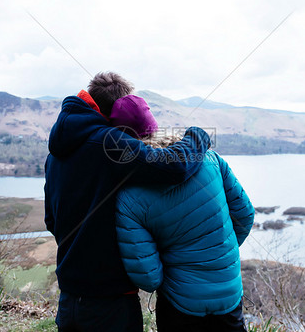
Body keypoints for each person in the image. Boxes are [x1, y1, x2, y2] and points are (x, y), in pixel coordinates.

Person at [44, 72, 211, 332]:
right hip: (109, 302)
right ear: (120, 110)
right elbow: (176, 167)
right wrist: (197, 137)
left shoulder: (56, 151)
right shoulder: (109, 143)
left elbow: (51, 220)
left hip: (69, 298)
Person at [113, 94, 255, 332]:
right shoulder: (210, 160)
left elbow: (149, 277)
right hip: (229, 294)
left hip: (180, 304)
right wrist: (217, 254)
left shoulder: (129, 197)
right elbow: (245, 216)